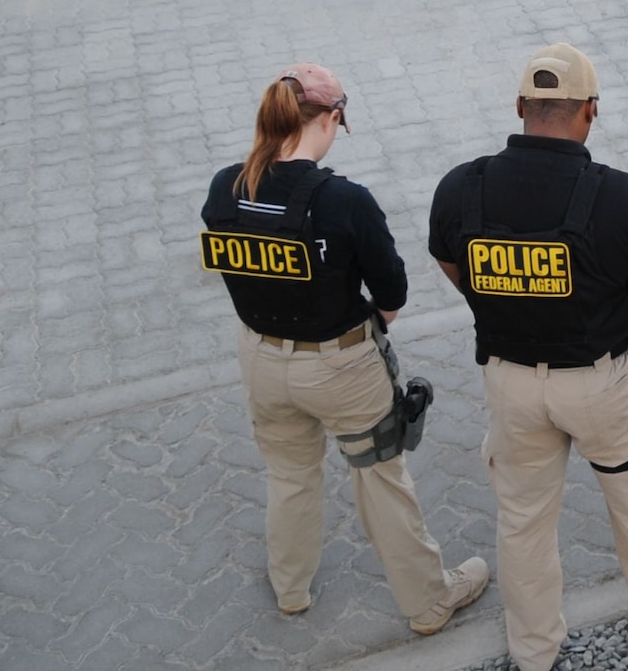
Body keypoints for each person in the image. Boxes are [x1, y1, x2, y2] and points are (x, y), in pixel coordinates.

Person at [428, 44, 628, 671]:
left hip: (509, 381)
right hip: (606, 383)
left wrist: (515, 312)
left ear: (520, 108)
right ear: (590, 112)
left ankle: (534, 656)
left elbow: (457, 273)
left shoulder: (459, 189)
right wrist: (601, 326)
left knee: (523, 518)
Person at [201, 64, 489, 633]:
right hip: (340, 366)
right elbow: (392, 293)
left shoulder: (225, 187)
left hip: (260, 358)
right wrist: (372, 319)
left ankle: (290, 587)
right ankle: (429, 602)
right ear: (331, 118)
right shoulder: (345, 201)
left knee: (289, 475)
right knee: (380, 477)